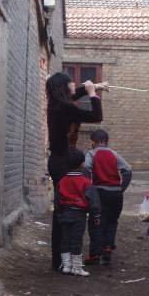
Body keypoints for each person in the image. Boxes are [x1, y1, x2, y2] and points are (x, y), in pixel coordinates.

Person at [46, 72, 106, 270]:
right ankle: (63, 259)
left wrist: (94, 86)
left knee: (61, 211)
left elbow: (73, 95)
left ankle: (59, 259)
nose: (75, 85)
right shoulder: (65, 108)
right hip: (62, 163)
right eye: (71, 83)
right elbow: (96, 116)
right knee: (66, 212)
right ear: (64, 87)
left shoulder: (57, 105)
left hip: (57, 160)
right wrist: (93, 94)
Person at [84, 129, 132, 265]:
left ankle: (95, 254)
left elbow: (86, 168)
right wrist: (122, 188)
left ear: (92, 142)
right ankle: (108, 248)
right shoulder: (114, 154)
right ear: (107, 142)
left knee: (97, 222)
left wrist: (88, 186)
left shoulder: (91, 154)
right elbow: (128, 170)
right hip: (116, 194)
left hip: (100, 193)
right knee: (112, 221)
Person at [55, 148, 101, 276]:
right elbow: (93, 200)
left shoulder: (62, 181)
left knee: (65, 239)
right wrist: (96, 215)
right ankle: (76, 268)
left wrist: (59, 213)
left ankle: (66, 266)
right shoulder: (85, 182)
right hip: (79, 215)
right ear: (82, 163)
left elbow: (57, 199)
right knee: (76, 240)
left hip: (65, 213)